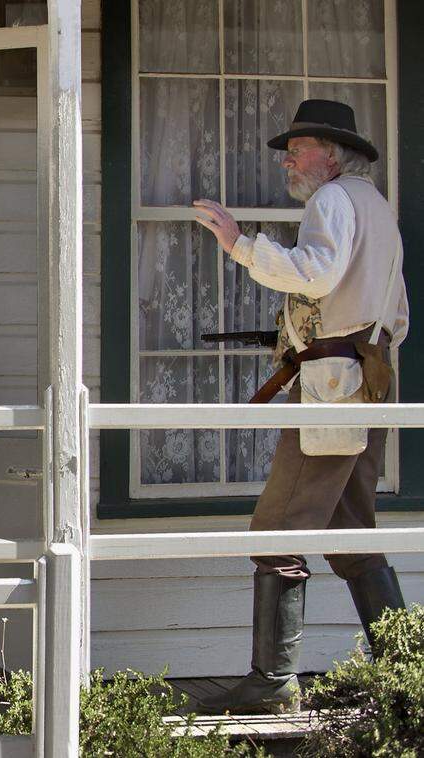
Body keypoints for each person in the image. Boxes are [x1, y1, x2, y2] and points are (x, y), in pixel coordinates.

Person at [192, 99, 408, 715]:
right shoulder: (378, 208)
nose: (289, 156)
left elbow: (313, 274)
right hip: (365, 383)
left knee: (278, 526)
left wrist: (239, 245)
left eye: (301, 145)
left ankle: (271, 684)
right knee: (349, 532)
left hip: (332, 390)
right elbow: (395, 316)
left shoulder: (334, 200)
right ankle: (406, 673)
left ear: (334, 155)